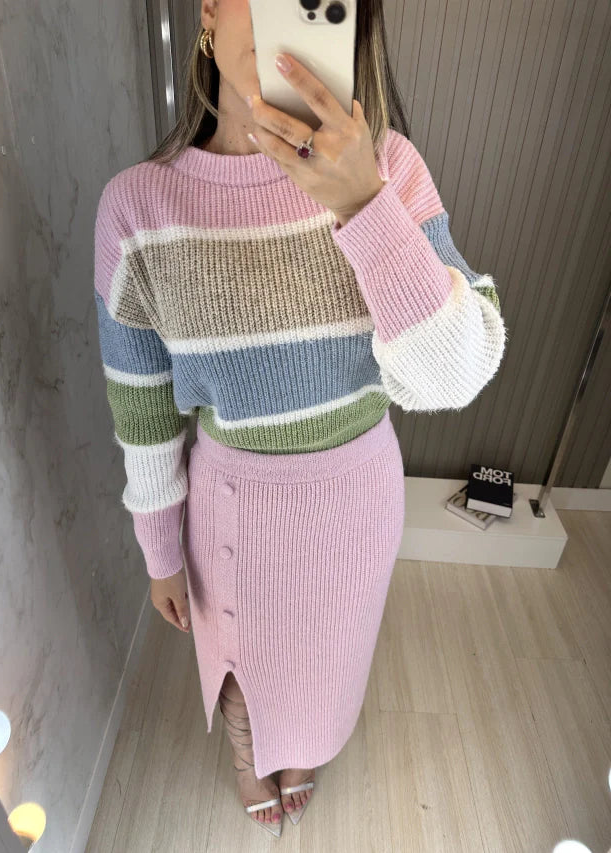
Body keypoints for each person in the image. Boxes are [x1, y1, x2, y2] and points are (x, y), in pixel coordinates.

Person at [93, 0, 507, 838]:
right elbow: (141, 406)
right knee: (242, 675)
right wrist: (160, 549)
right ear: (211, 12)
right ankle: (250, 752)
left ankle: (303, 746)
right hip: (232, 501)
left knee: (329, 663)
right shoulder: (137, 205)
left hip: (355, 498)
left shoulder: (389, 169)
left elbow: (455, 374)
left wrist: (365, 207)